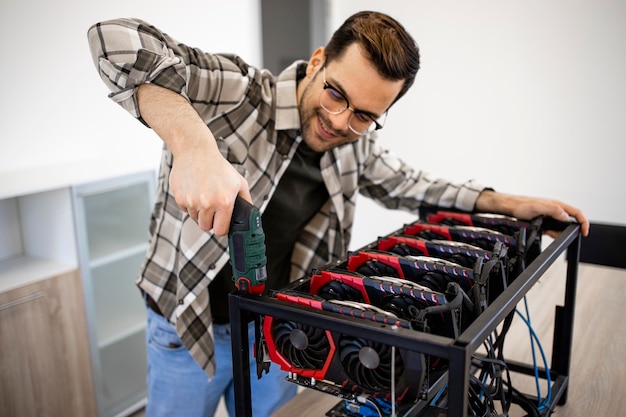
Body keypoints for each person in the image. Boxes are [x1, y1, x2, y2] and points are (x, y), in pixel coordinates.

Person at [87, 10, 589, 417]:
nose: (339, 121)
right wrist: (193, 145)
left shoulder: (354, 148)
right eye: (335, 93)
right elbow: (112, 40)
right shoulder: (240, 92)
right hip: (184, 327)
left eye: (366, 115)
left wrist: (506, 203)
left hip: (275, 332)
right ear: (319, 60)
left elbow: (414, 185)